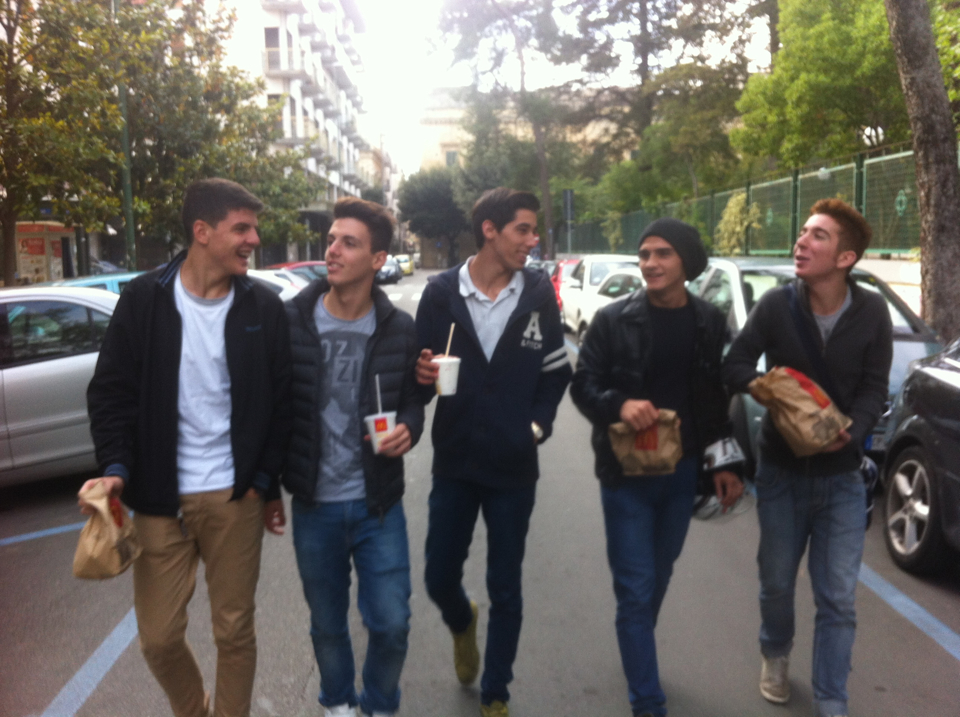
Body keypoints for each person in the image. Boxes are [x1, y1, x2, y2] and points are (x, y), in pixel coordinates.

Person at [81, 178, 291, 717]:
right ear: (202, 231)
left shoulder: (263, 308)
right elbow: (111, 392)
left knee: (234, 631)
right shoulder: (144, 300)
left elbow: (282, 402)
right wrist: (116, 466)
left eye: (253, 228)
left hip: (234, 497)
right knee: (158, 637)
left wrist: (263, 481)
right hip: (159, 499)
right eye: (241, 228)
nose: (254, 239)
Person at [722, 199, 892, 717]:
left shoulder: (872, 311)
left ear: (845, 258)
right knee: (776, 583)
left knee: (837, 597)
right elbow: (735, 363)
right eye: (803, 231)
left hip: (843, 480)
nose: (801, 241)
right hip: (780, 473)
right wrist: (768, 389)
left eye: (818, 235)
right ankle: (775, 653)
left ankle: (831, 698)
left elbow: (874, 387)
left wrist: (854, 433)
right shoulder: (777, 305)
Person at [570, 218, 745, 717]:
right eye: (644, 254)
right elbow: (583, 385)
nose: (650, 263)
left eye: (662, 253)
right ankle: (647, 700)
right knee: (635, 587)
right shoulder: (613, 320)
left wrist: (724, 463)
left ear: (686, 262)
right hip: (626, 475)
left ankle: (636, 647)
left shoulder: (709, 320)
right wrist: (619, 404)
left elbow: (714, 401)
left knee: (659, 575)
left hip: (682, 473)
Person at [415, 188, 572, 717]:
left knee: (506, 585)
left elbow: (556, 374)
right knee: (438, 576)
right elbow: (417, 378)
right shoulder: (441, 294)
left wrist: (536, 427)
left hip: (513, 468)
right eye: (522, 229)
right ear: (490, 230)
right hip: (455, 462)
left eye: (534, 231)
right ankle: (463, 621)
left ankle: (497, 691)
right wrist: (421, 376)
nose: (532, 240)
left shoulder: (538, 295)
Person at [277, 197, 423, 717]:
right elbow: (271, 406)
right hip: (314, 504)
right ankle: (338, 702)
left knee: (392, 623)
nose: (332, 250)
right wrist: (268, 484)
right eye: (332, 240)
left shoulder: (399, 327)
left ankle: (379, 704)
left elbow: (412, 397)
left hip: (377, 504)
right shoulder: (291, 320)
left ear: (378, 259)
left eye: (349, 243)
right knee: (327, 624)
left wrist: (409, 427)